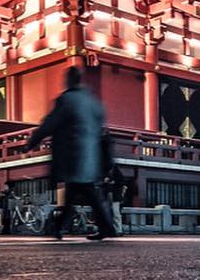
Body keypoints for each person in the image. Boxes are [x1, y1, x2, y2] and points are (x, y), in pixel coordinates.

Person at [26, 67, 115, 240]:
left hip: (73, 153)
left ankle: (60, 228)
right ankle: (104, 227)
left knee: (76, 192)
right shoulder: (94, 101)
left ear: (68, 80)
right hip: (92, 154)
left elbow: (50, 123)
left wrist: (32, 142)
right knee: (82, 192)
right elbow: (102, 128)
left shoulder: (67, 100)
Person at [105, 163, 128, 235]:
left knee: (116, 213)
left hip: (115, 196)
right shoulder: (104, 173)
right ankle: (110, 229)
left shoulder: (117, 174)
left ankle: (118, 229)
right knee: (107, 213)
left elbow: (122, 183)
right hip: (107, 195)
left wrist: (113, 182)